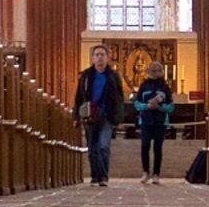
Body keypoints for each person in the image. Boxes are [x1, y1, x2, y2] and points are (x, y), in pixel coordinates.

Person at [73, 44, 126, 186]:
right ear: (92, 58)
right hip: (90, 115)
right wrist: (76, 116)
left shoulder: (113, 76)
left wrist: (119, 117)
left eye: (102, 54)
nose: (100, 57)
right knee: (92, 148)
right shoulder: (85, 76)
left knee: (103, 146)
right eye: (97, 55)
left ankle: (103, 176)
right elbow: (79, 97)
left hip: (106, 116)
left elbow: (120, 98)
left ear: (107, 57)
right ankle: (95, 176)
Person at [133, 65, 175, 178]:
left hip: (160, 121)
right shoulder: (143, 85)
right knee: (145, 145)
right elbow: (137, 104)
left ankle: (156, 173)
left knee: (157, 147)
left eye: (158, 70)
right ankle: (145, 171)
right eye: (153, 70)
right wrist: (147, 106)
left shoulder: (165, 87)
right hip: (146, 120)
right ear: (148, 71)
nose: (155, 73)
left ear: (161, 72)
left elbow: (171, 106)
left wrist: (160, 107)